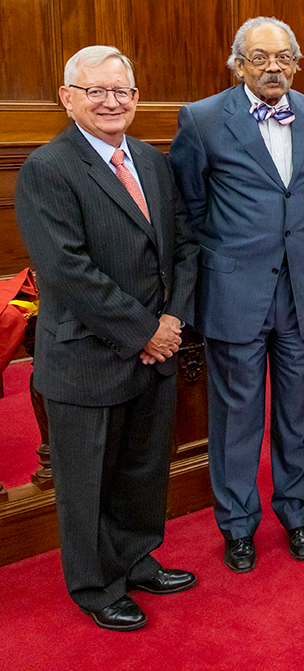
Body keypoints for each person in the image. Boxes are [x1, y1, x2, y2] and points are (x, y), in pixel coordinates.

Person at [14, 46, 199, 631]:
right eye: (95, 91)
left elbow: (183, 246)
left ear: (137, 98)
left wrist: (171, 323)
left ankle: (137, 559)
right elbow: (67, 271)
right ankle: (95, 585)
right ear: (68, 99)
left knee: (142, 469)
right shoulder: (48, 168)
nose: (111, 101)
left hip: (156, 350)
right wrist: (143, 331)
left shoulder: (151, 158)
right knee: (87, 478)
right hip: (88, 356)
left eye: (121, 91)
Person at [170, 17, 304, 573]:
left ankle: (298, 515)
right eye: (259, 58)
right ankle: (238, 526)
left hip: (302, 294)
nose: (272, 68)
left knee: (298, 413)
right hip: (234, 295)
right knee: (236, 417)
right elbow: (185, 212)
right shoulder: (203, 118)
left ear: (297, 63)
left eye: (283, 57)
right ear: (237, 64)